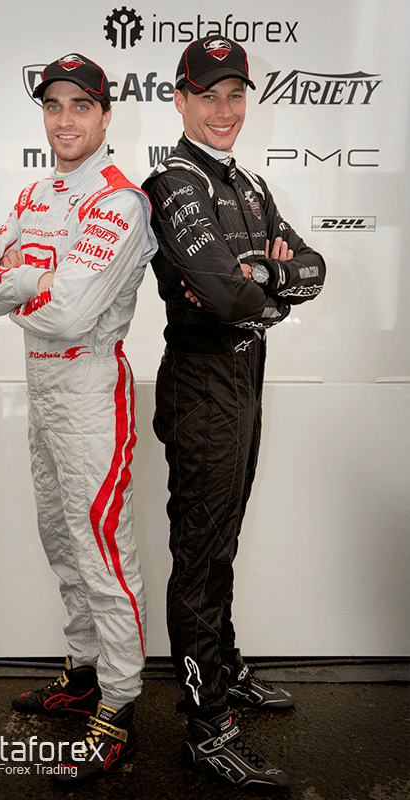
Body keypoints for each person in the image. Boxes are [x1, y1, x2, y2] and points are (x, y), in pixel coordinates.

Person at [0, 52, 157, 786]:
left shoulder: (120, 202)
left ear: (106, 115)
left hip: (90, 390)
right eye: (53, 105)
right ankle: (82, 673)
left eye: (81, 105)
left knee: (102, 550)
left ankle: (120, 699)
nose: (65, 119)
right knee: (61, 540)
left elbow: (72, 314)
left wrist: (21, 286)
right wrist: (36, 280)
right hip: (41, 390)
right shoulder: (35, 193)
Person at [142, 37, 326, 790]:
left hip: (245, 376)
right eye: (206, 94)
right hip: (200, 384)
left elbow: (313, 268)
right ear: (180, 100)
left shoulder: (250, 184)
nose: (223, 109)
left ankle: (224, 667)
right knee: (199, 552)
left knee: (223, 542)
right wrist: (264, 289)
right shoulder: (172, 182)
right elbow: (223, 295)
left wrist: (264, 279)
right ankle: (206, 723)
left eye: (234, 93)